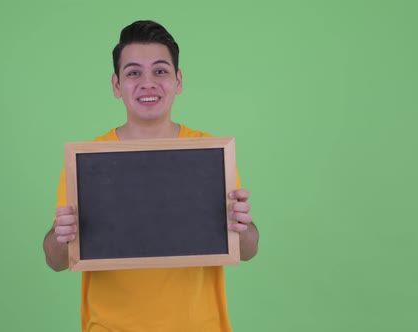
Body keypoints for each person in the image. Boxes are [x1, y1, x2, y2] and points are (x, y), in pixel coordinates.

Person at [43, 20, 259, 332]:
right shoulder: (87, 160)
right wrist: (62, 235)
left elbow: (248, 248)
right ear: (117, 85)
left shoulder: (211, 153)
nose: (148, 83)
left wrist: (243, 225)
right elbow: (55, 260)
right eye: (133, 73)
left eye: (160, 71)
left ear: (178, 80)